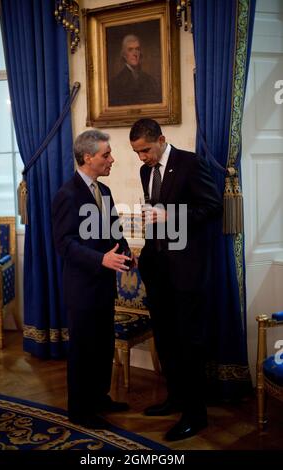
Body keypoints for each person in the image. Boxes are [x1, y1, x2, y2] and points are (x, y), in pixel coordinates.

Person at [129, 119, 223, 441]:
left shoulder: (191, 163)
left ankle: (196, 415)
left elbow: (212, 207)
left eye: (145, 150)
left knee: (188, 342)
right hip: (157, 269)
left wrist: (171, 216)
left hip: (186, 270)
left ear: (161, 139)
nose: (142, 158)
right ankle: (175, 398)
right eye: (137, 153)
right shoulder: (146, 172)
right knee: (167, 340)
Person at [52, 129, 131, 429]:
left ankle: (99, 398)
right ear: (88, 157)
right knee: (84, 350)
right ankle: (80, 411)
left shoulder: (105, 192)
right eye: (106, 155)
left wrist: (124, 252)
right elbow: (65, 244)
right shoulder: (66, 195)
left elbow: (113, 232)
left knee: (103, 346)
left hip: (103, 286)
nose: (112, 159)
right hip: (82, 288)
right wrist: (101, 259)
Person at [109, 34, 161, 106]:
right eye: (130, 50)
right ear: (124, 54)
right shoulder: (116, 83)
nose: (135, 53)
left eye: (137, 49)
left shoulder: (149, 80)